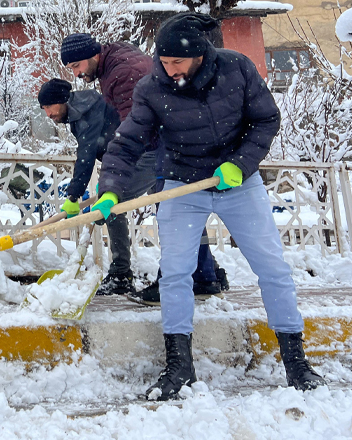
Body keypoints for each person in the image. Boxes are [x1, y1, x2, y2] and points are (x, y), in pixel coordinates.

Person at [90, 12, 326, 400]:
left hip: (237, 181)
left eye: (176, 63)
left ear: (201, 55)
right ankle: (179, 366)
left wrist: (241, 164)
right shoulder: (152, 88)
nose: (168, 70)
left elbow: (266, 120)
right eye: (162, 63)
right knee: (176, 274)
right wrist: (111, 189)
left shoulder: (236, 68)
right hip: (184, 184)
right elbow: (127, 142)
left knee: (272, 267)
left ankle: (296, 361)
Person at [60, 33, 227, 300]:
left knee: (166, 214)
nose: (77, 74)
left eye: (77, 66)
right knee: (180, 212)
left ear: (92, 56)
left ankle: (163, 282)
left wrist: (117, 176)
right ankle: (206, 274)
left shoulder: (121, 73)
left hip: (166, 146)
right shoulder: (116, 58)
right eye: (71, 70)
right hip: (177, 139)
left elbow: (134, 128)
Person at [37, 78, 155, 289]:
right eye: (44, 108)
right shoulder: (79, 111)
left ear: (62, 100)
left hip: (145, 157)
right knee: (169, 205)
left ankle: (121, 274)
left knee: (109, 206)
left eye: (49, 106)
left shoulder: (86, 111)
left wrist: (73, 196)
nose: (48, 114)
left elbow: (86, 155)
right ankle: (209, 272)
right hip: (130, 161)